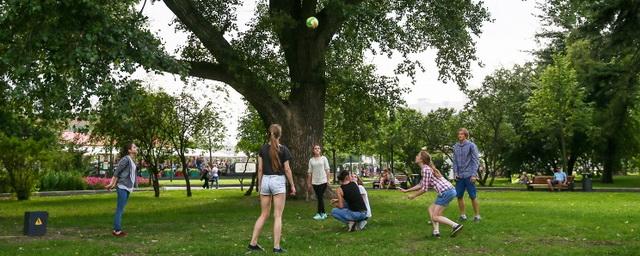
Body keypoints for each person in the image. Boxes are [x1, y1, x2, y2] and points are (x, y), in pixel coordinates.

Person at [248, 124, 296, 254]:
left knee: (263, 214)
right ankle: (276, 247)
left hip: (265, 181)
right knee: (278, 216)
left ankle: (253, 243)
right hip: (278, 181)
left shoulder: (263, 149)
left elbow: (260, 169)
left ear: (269, 134)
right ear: (279, 135)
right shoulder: (284, 150)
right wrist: (292, 185)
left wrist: (259, 185)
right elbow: (287, 169)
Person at [401, 150, 464, 238]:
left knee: (435, 216)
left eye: (417, 155)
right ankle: (436, 232)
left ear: (421, 159)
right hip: (449, 191)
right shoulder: (426, 168)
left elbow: (424, 189)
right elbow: (421, 184)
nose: (416, 157)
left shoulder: (425, 169)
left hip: (446, 192)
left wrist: (413, 195)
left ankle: (455, 226)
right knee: (431, 209)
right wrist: (407, 190)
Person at [105, 143, 138, 237]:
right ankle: (117, 231)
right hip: (122, 186)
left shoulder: (132, 160)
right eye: (134, 147)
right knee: (119, 209)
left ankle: (117, 229)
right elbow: (117, 172)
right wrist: (112, 184)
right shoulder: (125, 159)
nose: (136, 148)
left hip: (127, 187)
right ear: (129, 150)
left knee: (121, 208)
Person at [452, 128, 481, 222]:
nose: (459, 135)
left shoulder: (471, 146)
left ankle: (477, 216)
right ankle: (463, 215)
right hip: (459, 176)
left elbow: (475, 161)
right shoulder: (455, 146)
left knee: (473, 196)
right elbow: (455, 161)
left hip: (469, 175)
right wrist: (455, 173)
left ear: (465, 135)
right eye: (458, 134)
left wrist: (474, 175)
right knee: (459, 196)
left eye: (461, 134)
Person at [307, 144, 331, 220]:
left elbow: (327, 170)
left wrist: (328, 180)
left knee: (320, 196)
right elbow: (309, 172)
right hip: (315, 181)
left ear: (320, 150)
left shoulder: (324, 158)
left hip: (323, 181)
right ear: (313, 150)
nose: (317, 149)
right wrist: (309, 183)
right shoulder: (311, 160)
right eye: (315, 148)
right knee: (319, 197)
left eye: (318, 148)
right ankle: (322, 213)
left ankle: (321, 213)